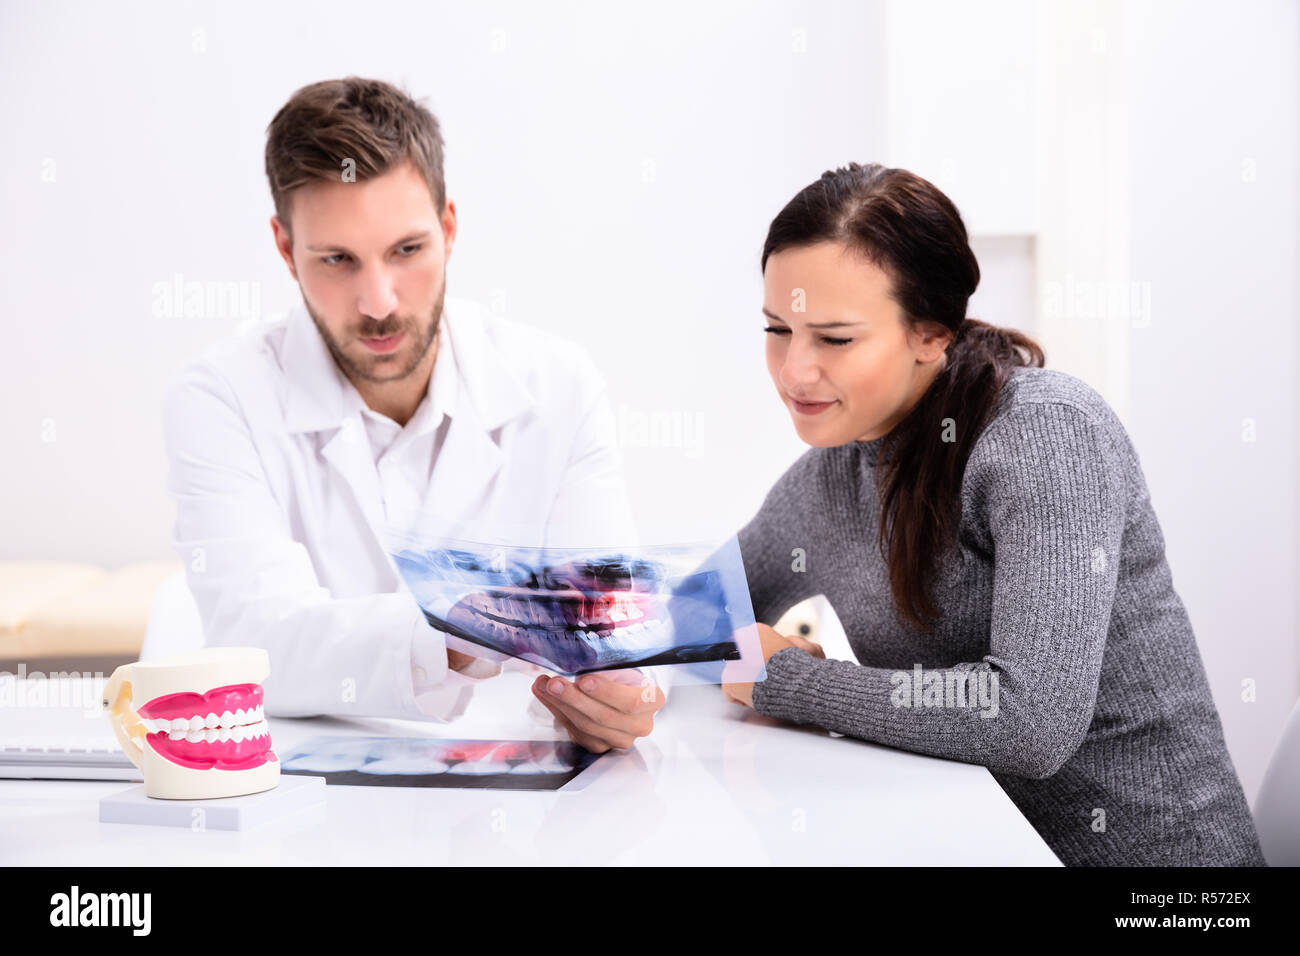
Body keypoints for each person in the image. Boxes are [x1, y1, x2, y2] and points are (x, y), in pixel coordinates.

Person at [721, 161, 1267, 866]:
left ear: (931, 334)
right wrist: (556, 612)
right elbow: (700, 604)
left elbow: (1030, 722)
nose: (794, 371)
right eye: (776, 329)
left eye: (834, 338)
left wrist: (790, 681)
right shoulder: (839, 466)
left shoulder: (1047, 435)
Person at [162, 76, 664, 754]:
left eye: (407, 251)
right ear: (285, 250)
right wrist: (466, 627)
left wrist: (617, 696)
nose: (379, 301)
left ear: (449, 229)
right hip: (305, 815)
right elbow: (255, 642)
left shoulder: (559, 387)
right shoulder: (221, 398)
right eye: (337, 259)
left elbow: (607, 632)